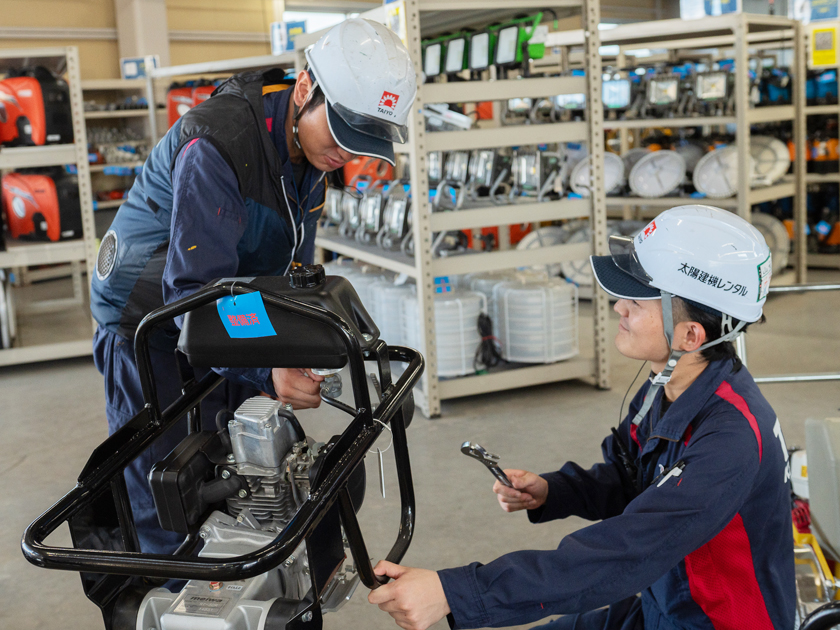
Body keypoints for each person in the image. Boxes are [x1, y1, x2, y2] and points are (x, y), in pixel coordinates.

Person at [368, 205, 795, 630]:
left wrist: (453, 592)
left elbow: (628, 551)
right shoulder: (667, 387)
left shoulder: (731, 438)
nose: (617, 308)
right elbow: (633, 480)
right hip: (666, 602)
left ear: (689, 335)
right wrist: (555, 491)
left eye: (636, 300)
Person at [89, 18, 416, 554]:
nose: (345, 156)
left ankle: (240, 558)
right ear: (306, 87)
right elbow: (192, 295)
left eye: (360, 145)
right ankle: (167, 585)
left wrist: (297, 347)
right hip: (144, 315)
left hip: (223, 294)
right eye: (340, 134)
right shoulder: (219, 142)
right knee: (163, 476)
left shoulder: (311, 151)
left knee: (242, 439)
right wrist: (265, 366)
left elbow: (290, 272)